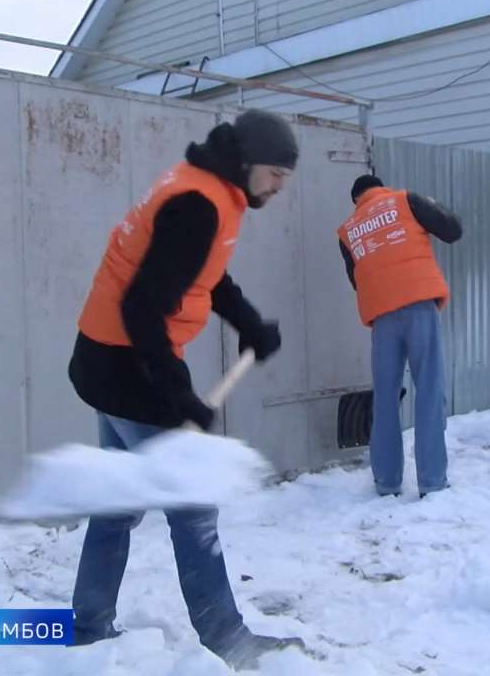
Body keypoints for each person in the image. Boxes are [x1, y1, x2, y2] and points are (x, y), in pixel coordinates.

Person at [68, 109, 304, 669]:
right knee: (194, 509)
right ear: (247, 163)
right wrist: (177, 395)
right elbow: (141, 307)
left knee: (115, 504)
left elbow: (204, 273)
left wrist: (246, 322)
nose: (279, 186)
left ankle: (86, 624)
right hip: (131, 369)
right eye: (275, 174)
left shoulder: (206, 190)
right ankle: (228, 638)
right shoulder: (198, 203)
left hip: (105, 360)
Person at [337, 174, 463, 498]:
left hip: (383, 318)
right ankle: (432, 482)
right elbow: (453, 230)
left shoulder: (349, 231)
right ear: (381, 189)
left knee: (385, 399)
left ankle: (387, 482)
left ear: (357, 200)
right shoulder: (407, 201)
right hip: (419, 306)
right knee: (429, 392)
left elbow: (357, 280)